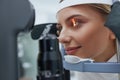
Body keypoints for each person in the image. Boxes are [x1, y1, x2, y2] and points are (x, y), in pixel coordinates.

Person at [56, 0, 120, 80]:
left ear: (113, 26)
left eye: (75, 23)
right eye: (59, 28)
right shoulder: (83, 66)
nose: (61, 38)